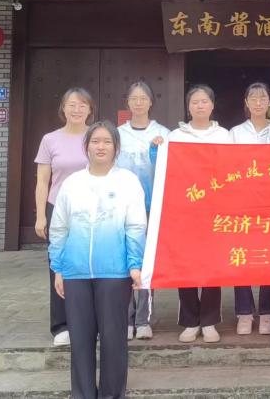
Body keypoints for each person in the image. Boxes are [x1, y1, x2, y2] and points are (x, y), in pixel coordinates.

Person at [49, 120, 147, 399]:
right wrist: (58, 268)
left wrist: (135, 265)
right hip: (76, 273)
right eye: (95, 141)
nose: (100, 146)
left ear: (116, 147)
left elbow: (136, 226)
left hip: (114, 273)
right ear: (86, 146)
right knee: (80, 340)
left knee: (114, 339)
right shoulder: (72, 183)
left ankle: (112, 394)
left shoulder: (127, 181)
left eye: (107, 141)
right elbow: (59, 228)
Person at [168, 84, 231, 343]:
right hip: (185, 211)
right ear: (188, 106)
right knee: (186, 265)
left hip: (215, 210)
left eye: (204, 101)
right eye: (195, 102)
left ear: (212, 105)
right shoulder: (176, 136)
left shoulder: (224, 136)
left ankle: (209, 320)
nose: (200, 106)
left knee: (212, 265)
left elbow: (231, 170)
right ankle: (190, 320)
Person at [34, 87, 94, 347]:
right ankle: (61, 325)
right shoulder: (50, 140)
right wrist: (40, 216)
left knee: (90, 264)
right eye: (72, 105)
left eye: (82, 105)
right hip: (58, 209)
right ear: (63, 108)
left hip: (92, 209)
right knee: (59, 265)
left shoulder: (96, 137)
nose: (77, 110)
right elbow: (42, 181)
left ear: (90, 110)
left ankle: (89, 322)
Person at [116, 81, 170, 341]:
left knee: (147, 262)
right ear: (127, 102)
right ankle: (126, 318)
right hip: (122, 205)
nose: (138, 103)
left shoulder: (163, 132)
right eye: (134, 98)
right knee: (125, 259)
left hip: (152, 207)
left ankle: (143, 319)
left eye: (143, 98)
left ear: (151, 102)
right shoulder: (117, 134)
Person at [229, 81, 270, 336]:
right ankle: (244, 312)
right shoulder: (235, 133)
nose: (258, 102)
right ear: (246, 103)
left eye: (262, 98)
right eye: (253, 98)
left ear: (269, 102)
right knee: (242, 256)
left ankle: (267, 311)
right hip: (242, 203)